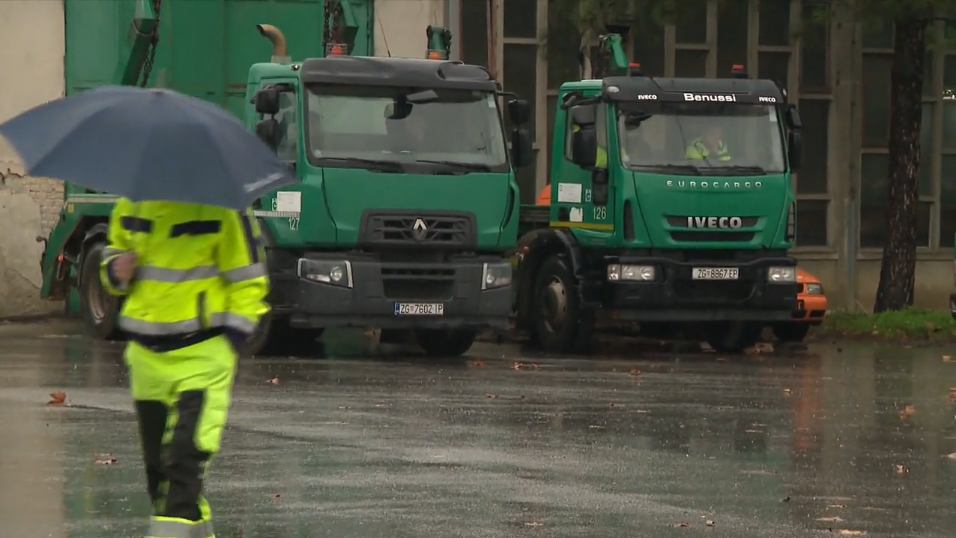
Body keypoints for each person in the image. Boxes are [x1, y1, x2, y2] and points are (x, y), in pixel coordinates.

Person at [101, 198, 269, 538]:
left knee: (183, 464)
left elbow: (250, 279)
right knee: (160, 474)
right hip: (146, 358)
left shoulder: (224, 207)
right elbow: (111, 257)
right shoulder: (130, 205)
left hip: (203, 357)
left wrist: (232, 340)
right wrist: (115, 269)